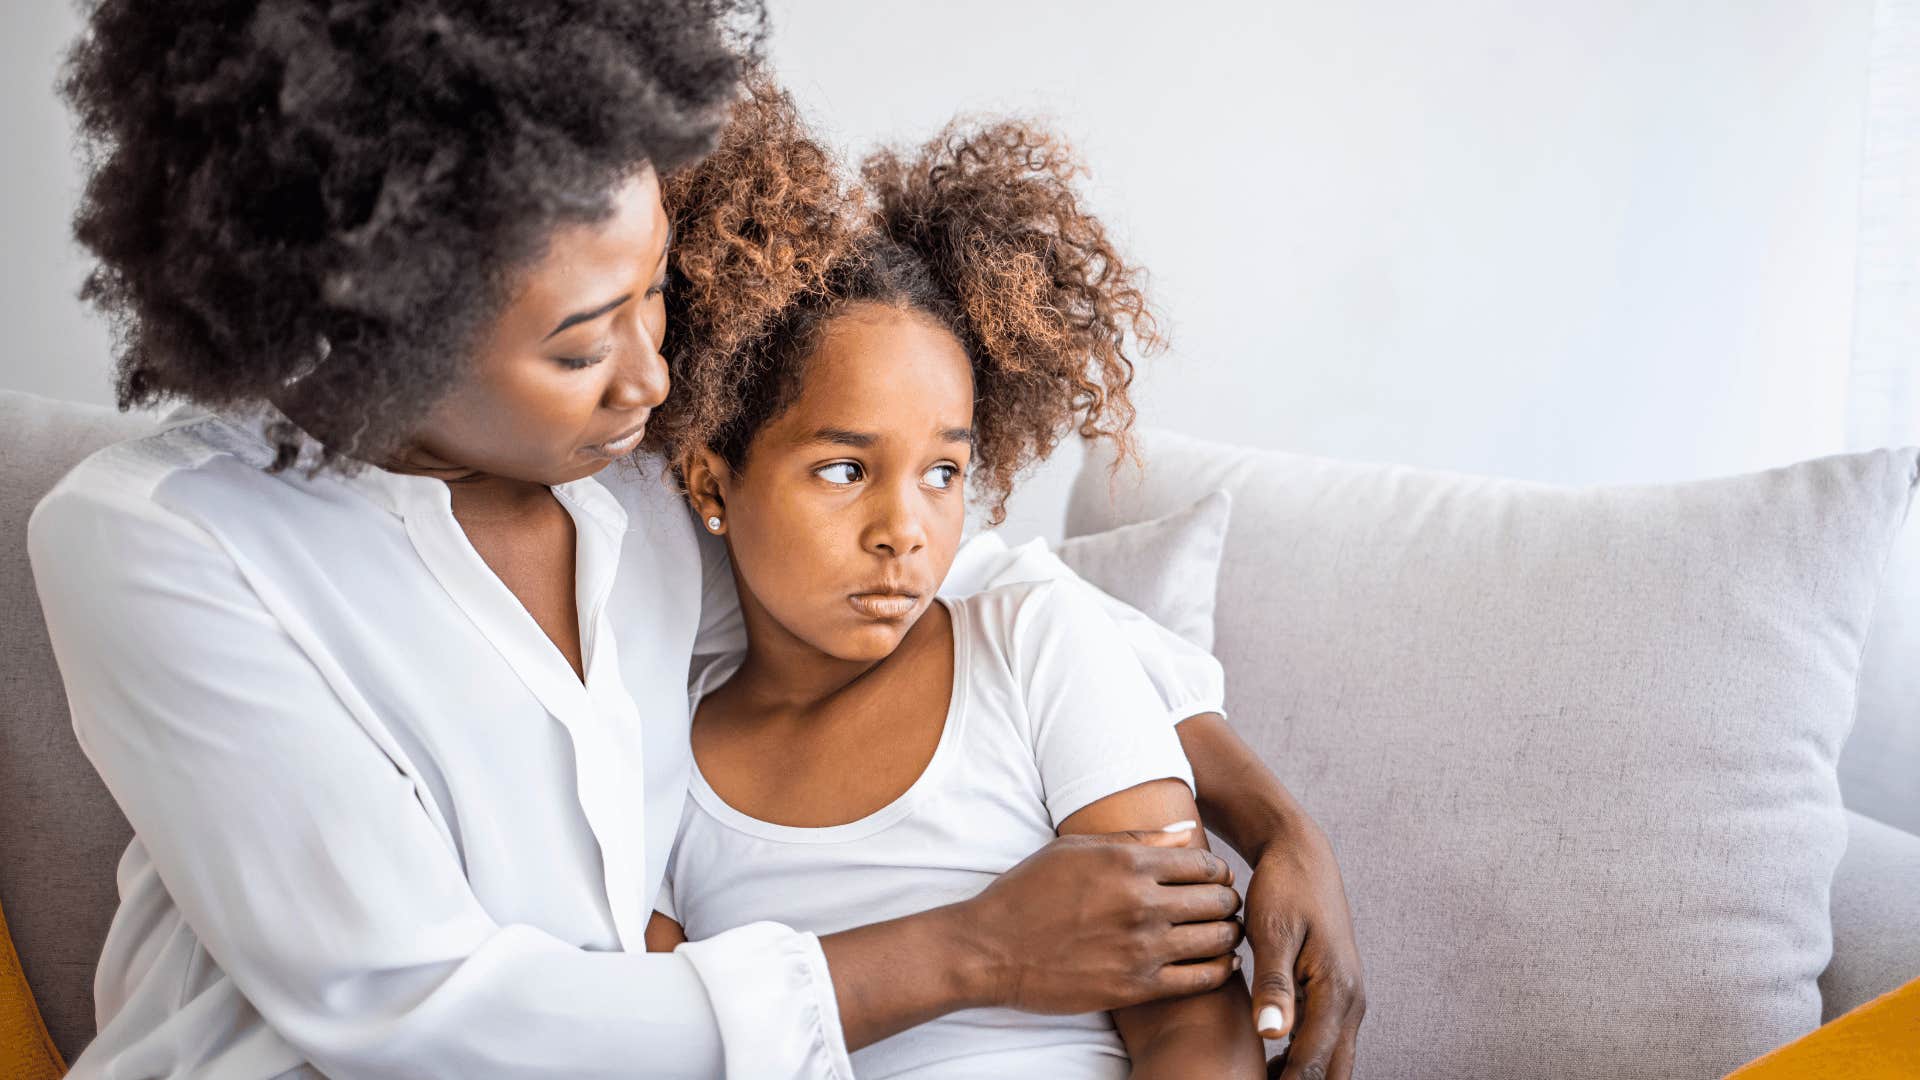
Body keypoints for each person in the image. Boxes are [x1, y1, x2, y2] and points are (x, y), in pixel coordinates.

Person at [31, 2, 1363, 1077]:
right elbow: (410, 1011)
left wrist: (1278, 824)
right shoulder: (161, 542)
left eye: (654, 293)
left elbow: (971, 580)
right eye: (578, 343)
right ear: (373, 332)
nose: (652, 377)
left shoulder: (639, 485)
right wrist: (970, 955)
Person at [641, 81, 1265, 1078]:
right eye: (844, 471)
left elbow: (1196, 1025)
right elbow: (658, 1048)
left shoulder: (1032, 643)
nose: (905, 531)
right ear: (712, 482)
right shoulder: (659, 758)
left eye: (944, 473)